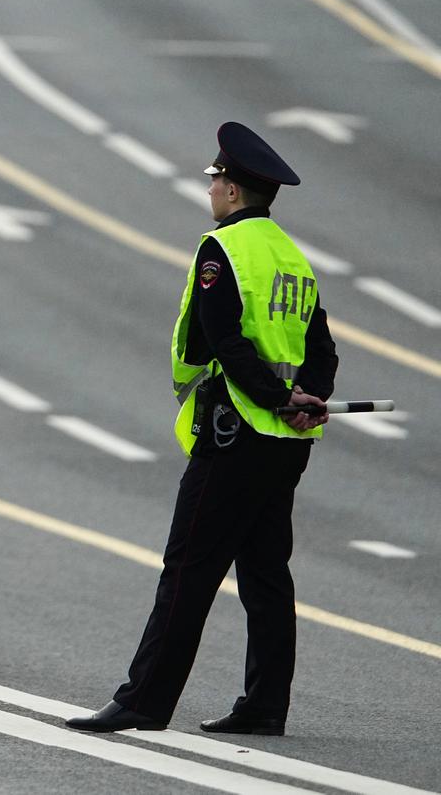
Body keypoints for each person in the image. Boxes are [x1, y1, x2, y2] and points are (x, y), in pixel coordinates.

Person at [66, 121, 339, 736]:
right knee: (267, 573)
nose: (211, 189)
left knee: (188, 567)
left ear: (234, 192)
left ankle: (143, 700)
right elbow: (322, 348)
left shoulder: (224, 250)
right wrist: (308, 398)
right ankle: (266, 706)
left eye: (216, 180)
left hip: (236, 428)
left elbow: (223, 341)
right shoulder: (294, 259)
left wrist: (274, 396)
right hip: (287, 441)